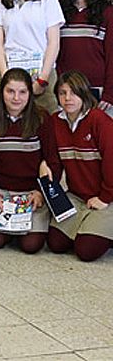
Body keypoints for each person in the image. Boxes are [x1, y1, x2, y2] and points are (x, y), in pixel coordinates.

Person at [0, 68, 61, 253]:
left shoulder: (42, 118)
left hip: (31, 194)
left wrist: (40, 192)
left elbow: (53, 161)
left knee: (31, 246)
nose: (16, 98)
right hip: (1, 192)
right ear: (2, 92)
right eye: (10, 91)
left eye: (22, 92)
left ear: (30, 93)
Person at [47, 71, 113, 262]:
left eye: (74, 93)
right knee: (56, 244)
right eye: (62, 93)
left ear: (84, 94)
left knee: (86, 251)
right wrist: (45, 163)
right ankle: (90, 225)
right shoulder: (55, 121)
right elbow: (54, 160)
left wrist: (105, 197)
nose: (68, 99)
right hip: (77, 196)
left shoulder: (99, 120)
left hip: (106, 197)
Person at [57, 0, 113, 117]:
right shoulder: (58, 10)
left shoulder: (107, 12)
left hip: (97, 90)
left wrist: (109, 93)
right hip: (66, 89)